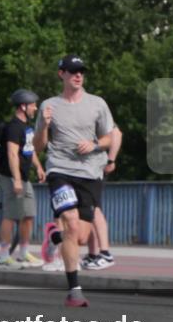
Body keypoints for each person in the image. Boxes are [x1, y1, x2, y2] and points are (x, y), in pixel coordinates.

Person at [34, 55, 115, 307]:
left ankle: (55, 237)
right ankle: (74, 290)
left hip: (90, 173)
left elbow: (109, 138)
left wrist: (93, 144)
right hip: (60, 170)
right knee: (69, 221)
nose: (78, 75)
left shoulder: (97, 104)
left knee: (79, 237)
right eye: (72, 71)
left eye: (81, 71)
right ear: (62, 74)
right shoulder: (49, 106)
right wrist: (44, 127)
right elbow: (38, 146)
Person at [0, 89, 45, 270]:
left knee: (28, 214)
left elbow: (29, 150)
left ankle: (23, 253)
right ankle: (4, 257)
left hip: (24, 176)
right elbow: (12, 154)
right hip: (11, 176)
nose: (35, 108)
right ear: (23, 106)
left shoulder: (26, 127)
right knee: (11, 215)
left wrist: (38, 166)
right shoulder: (14, 127)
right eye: (32, 105)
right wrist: (15, 180)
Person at [81, 125, 122, 270]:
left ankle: (105, 253)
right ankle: (93, 253)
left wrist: (111, 160)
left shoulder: (96, 108)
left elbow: (116, 133)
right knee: (88, 210)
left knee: (95, 209)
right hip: (82, 168)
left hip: (94, 168)